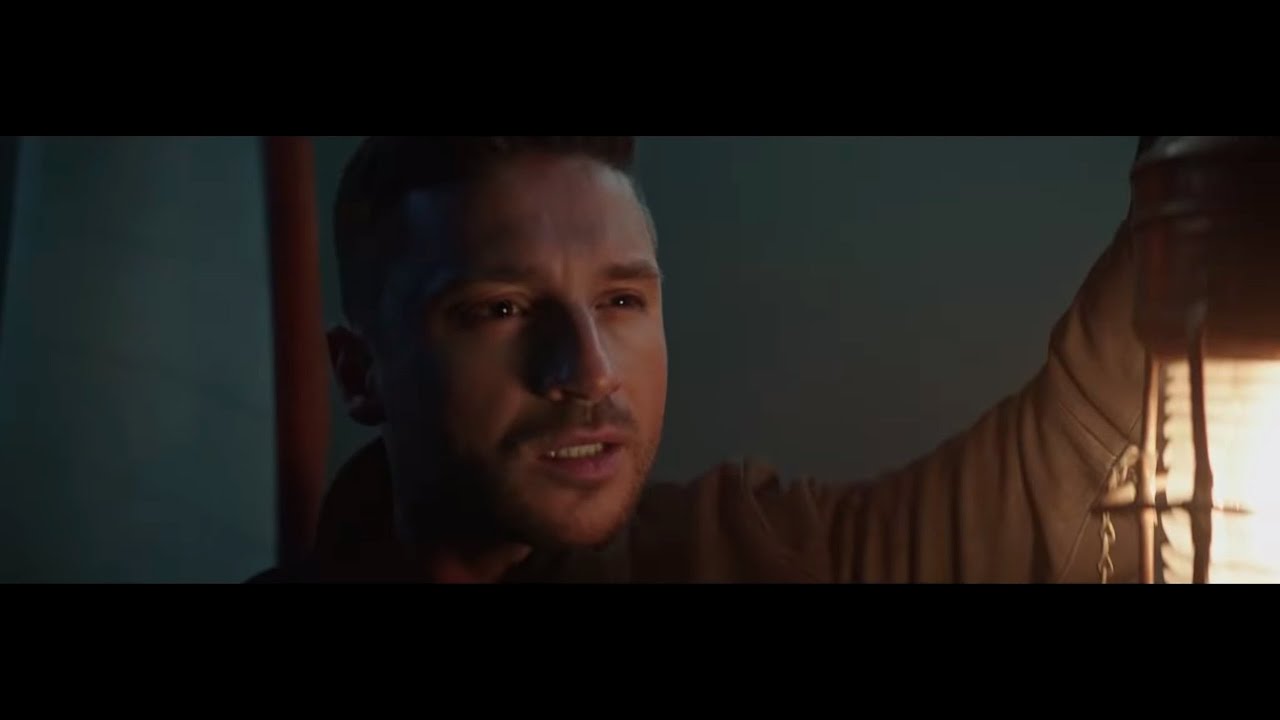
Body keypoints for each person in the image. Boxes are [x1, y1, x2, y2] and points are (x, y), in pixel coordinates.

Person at [252, 135, 1148, 584]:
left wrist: (1194, 187)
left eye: (621, 301)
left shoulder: (713, 554)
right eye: (501, 309)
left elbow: (1054, 462)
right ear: (360, 374)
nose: (590, 371)